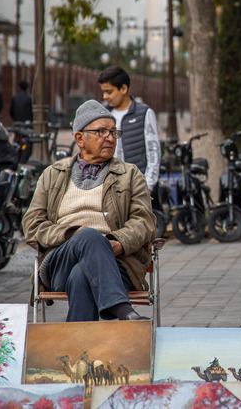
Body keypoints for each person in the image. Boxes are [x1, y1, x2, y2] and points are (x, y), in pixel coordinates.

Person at [22, 100, 157, 322]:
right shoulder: (53, 174)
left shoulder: (130, 174)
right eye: (101, 132)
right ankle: (124, 311)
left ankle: (77, 352)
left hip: (117, 263)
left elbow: (144, 222)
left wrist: (117, 243)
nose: (110, 138)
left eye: (114, 133)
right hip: (60, 259)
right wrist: (69, 235)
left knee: (81, 276)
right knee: (87, 235)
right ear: (80, 138)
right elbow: (32, 224)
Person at [97, 66, 160, 194]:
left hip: (137, 186)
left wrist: (148, 186)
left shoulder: (144, 113)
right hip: (110, 186)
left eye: (109, 92)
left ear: (124, 88)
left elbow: (154, 151)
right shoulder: (103, 114)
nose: (105, 96)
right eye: (103, 92)